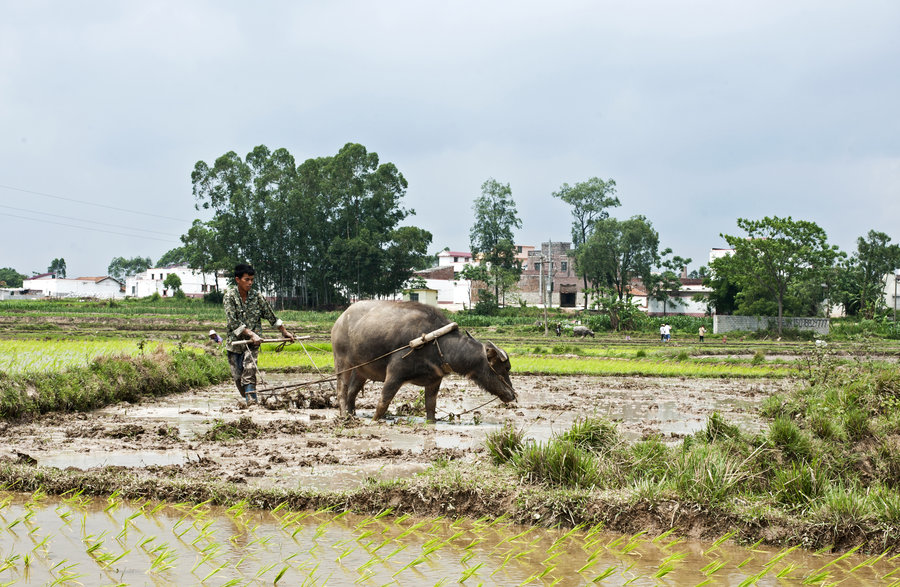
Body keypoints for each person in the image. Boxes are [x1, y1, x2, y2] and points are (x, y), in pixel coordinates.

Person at [224, 263, 294, 404]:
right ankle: (248, 399)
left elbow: (271, 316)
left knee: (249, 372)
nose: (250, 283)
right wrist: (250, 333)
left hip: (253, 344)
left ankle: (253, 404)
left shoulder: (257, 297)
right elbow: (233, 322)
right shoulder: (229, 297)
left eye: (252, 280)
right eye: (246, 279)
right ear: (238, 280)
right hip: (235, 344)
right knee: (238, 378)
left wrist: (284, 332)